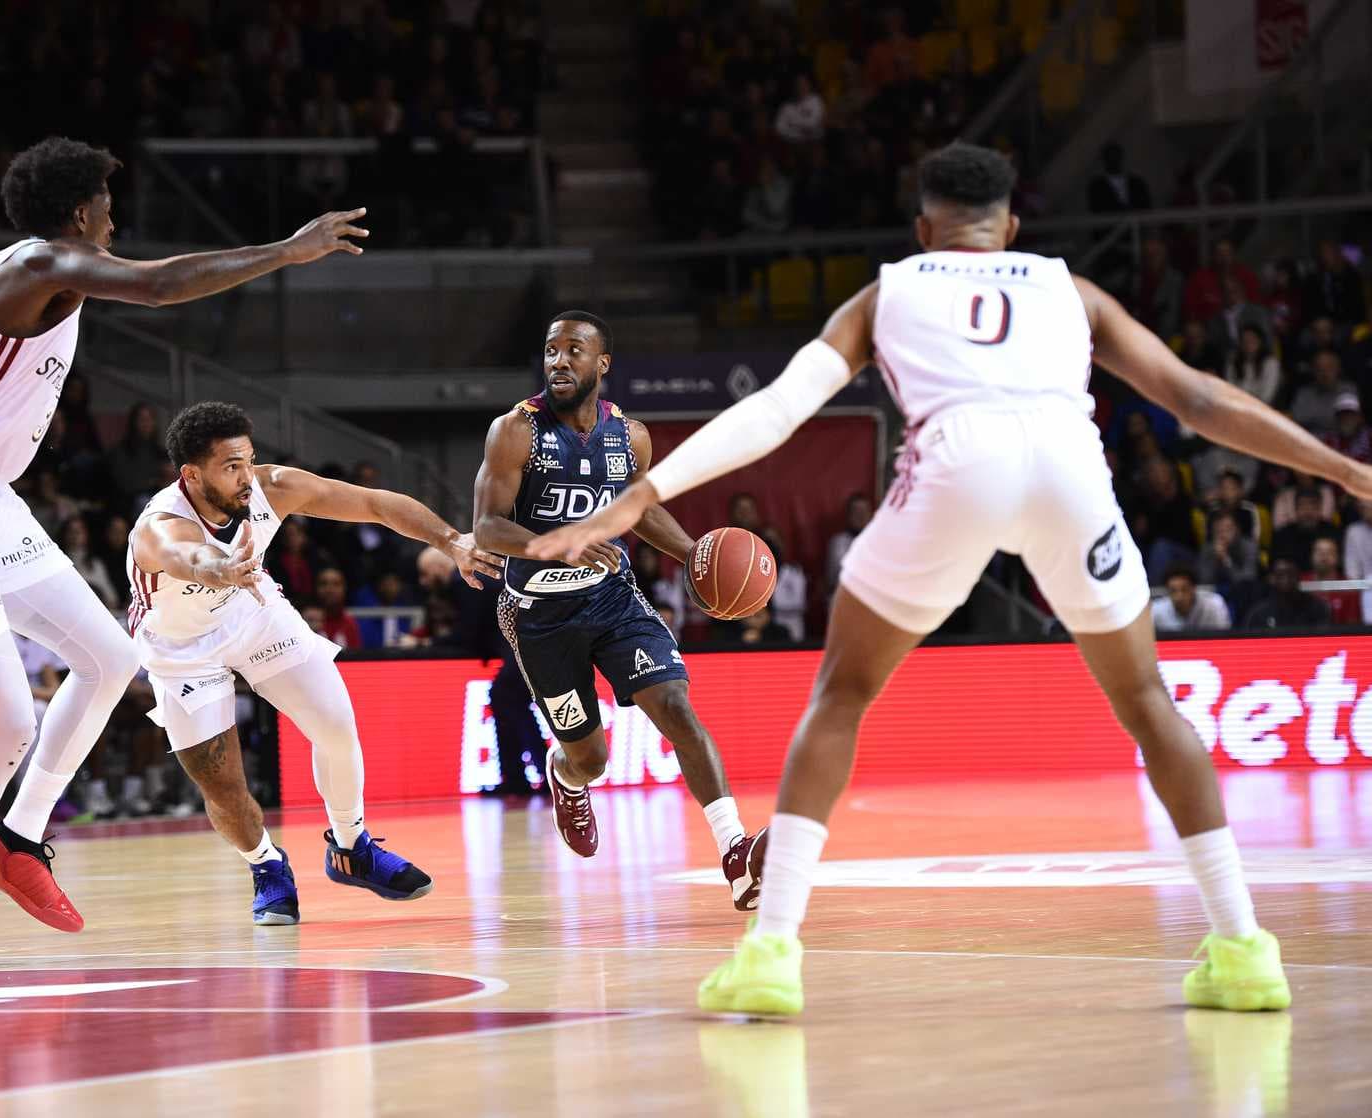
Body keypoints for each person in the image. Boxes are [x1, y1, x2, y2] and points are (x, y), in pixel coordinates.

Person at [531, 142, 1372, 1016]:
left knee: (842, 695)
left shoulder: (888, 290)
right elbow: (1197, 399)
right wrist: (1344, 473)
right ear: (1010, 225)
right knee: (1148, 701)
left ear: (921, 226)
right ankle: (1242, 950)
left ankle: (772, 952)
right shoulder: (1069, 289)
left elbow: (777, 410)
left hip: (953, 467)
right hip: (1066, 469)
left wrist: (640, 495)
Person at [0, 137, 369, 968]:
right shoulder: (37, 269)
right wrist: (287, 249)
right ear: (79, 213)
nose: (114, 217)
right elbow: (160, 285)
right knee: (6, 720)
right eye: (105, 203)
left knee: (107, 655)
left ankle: (16, 838)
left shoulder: (46, 270)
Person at [126, 402, 501, 923]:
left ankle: (352, 848)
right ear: (191, 475)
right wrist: (223, 567)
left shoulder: (270, 487)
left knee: (337, 727)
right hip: (183, 648)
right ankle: (265, 865)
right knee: (224, 788)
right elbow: (191, 558)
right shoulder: (159, 527)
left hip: (254, 614)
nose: (245, 477)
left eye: (248, 460)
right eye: (230, 466)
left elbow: (372, 504)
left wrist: (450, 539)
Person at [474, 310, 768, 910]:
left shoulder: (628, 435)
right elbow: (484, 527)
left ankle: (735, 852)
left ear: (601, 364)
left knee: (677, 709)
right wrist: (558, 540)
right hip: (539, 615)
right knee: (592, 756)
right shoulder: (515, 431)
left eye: (574, 350)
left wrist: (693, 555)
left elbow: (640, 507)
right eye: (551, 350)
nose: (559, 360)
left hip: (611, 597)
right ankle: (566, 774)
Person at [1243, 559, 1331, 630]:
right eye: (1280, 575)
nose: (1286, 580)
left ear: (1298, 577)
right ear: (1272, 579)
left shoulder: (1317, 608)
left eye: (1290, 574)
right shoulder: (1259, 614)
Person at [1152, 566, 1231, 632]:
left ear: (1194, 589)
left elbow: (1226, 637)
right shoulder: (1156, 610)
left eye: (1184, 589)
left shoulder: (1214, 605)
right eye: (1173, 591)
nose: (1179, 596)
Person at [1306, 536, 1359, 625]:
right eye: (1319, 551)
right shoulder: (1302, 583)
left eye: (1329, 552)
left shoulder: (1348, 587)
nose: (1323, 556)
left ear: (1337, 557)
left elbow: (1352, 627)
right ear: (1311, 555)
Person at [1343, 498, 1372, 622]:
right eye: (1361, 502)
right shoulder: (1353, 531)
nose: (1363, 505)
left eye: (1368, 501)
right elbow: (1352, 572)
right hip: (1364, 590)